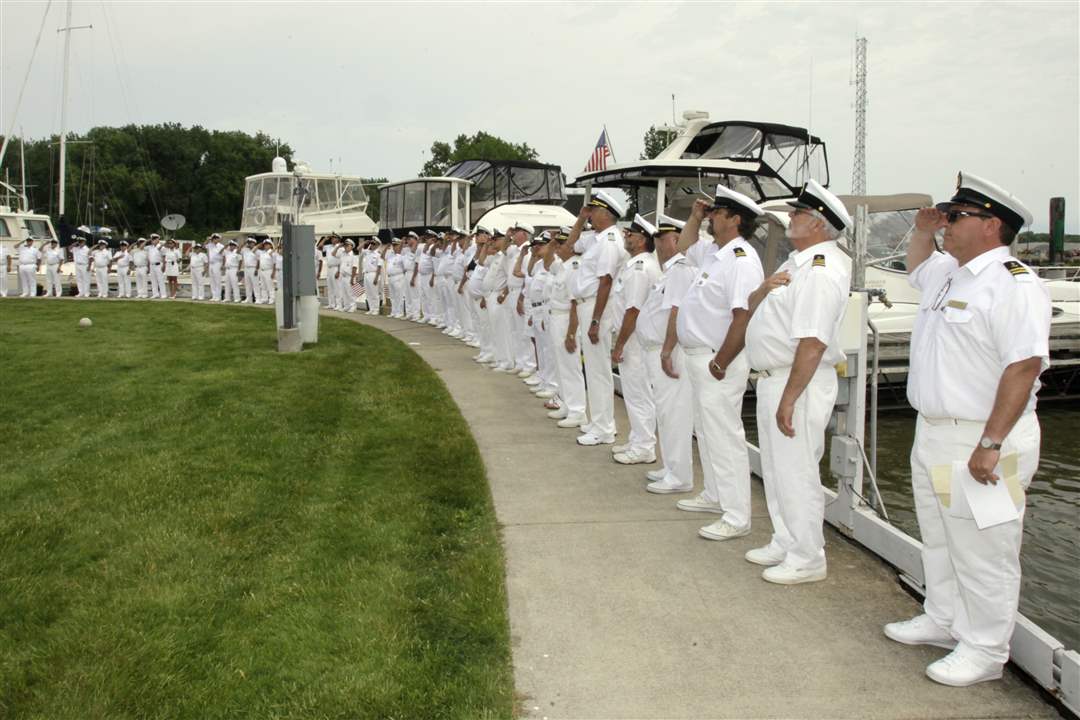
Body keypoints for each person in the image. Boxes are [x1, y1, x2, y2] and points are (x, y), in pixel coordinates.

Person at [883, 172, 1050, 687]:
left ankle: (985, 649)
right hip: (935, 431)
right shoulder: (951, 273)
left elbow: (1023, 366)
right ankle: (943, 617)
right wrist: (923, 229)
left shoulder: (1013, 282)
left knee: (986, 549)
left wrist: (992, 444)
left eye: (957, 217)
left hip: (982, 436)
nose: (947, 224)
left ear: (991, 225)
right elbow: (916, 266)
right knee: (940, 536)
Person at [743, 179, 851, 584]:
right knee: (776, 468)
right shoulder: (796, 262)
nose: (791, 217)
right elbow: (755, 305)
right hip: (777, 378)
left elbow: (812, 342)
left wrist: (790, 398)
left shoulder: (821, 271)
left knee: (798, 470)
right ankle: (786, 538)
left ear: (820, 224)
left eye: (800, 213)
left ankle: (808, 557)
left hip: (798, 382)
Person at [672, 186, 765, 541]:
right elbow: (683, 246)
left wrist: (721, 362)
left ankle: (737, 514)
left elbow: (744, 315)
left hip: (718, 360)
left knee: (725, 436)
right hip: (702, 358)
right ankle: (715, 494)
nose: (711, 217)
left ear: (735, 219)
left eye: (717, 213)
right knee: (707, 432)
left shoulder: (741, 259)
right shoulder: (716, 253)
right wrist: (694, 217)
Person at [637, 214, 696, 493]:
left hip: (668, 352)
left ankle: (680, 476)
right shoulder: (669, 272)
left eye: (664, 238)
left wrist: (667, 350)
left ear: (677, 239)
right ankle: (671, 466)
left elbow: (677, 310)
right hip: (656, 350)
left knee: (675, 414)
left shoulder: (681, 269)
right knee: (665, 412)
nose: (659, 243)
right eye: (657, 238)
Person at [568, 190, 628, 446]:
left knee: (599, 371)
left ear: (605, 214)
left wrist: (595, 321)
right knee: (592, 370)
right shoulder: (597, 238)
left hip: (597, 309)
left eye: (593, 211)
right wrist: (580, 220)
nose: (590, 214)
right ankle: (598, 422)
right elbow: (571, 245)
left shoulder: (610, 240)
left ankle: (604, 428)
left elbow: (606, 282)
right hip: (587, 306)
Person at [609, 215, 662, 464]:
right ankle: (637, 438)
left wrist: (619, 344)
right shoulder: (635, 264)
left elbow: (634, 310)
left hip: (634, 340)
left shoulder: (641, 268)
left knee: (639, 393)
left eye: (630, 234)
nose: (626, 237)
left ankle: (644, 446)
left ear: (641, 240)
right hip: (631, 337)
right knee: (633, 393)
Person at [362, 240, 383, 315]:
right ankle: (371, 309)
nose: (372, 245)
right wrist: (365, 243)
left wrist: (376, 277)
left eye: (373, 244)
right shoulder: (367, 252)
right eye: (371, 243)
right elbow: (358, 249)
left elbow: (379, 267)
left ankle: (376, 309)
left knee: (374, 293)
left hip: (373, 274)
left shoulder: (378, 254)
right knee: (368, 293)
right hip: (366, 274)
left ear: (377, 245)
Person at [147, 234, 167, 299]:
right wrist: (149, 267)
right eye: (152, 239)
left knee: (160, 280)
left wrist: (164, 265)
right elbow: (149, 258)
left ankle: (163, 294)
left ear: (158, 240)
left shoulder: (161, 247)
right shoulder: (150, 248)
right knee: (153, 280)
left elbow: (164, 257)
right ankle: (155, 294)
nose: (153, 241)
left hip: (159, 265)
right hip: (152, 265)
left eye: (154, 239)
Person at [206, 233, 224, 302]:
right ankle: (214, 296)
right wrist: (208, 239)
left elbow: (223, 256)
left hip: (217, 263)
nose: (215, 240)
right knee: (212, 280)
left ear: (219, 239)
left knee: (217, 280)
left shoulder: (221, 246)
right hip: (211, 264)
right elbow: (203, 246)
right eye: (214, 238)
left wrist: (222, 265)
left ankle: (218, 296)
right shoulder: (210, 245)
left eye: (216, 238)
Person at [257, 239, 275, 304]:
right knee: (263, 286)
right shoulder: (262, 252)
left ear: (270, 245)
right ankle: (264, 299)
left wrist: (273, 272)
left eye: (267, 244)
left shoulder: (272, 252)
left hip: (269, 270)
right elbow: (253, 250)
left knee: (270, 286)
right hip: (261, 271)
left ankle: (272, 299)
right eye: (264, 245)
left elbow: (274, 263)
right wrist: (261, 244)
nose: (265, 246)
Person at [242, 238, 259, 303]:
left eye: (251, 243)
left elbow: (258, 261)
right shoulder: (245, 250)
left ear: (254, 243)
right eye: (248, 243)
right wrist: (244, 242)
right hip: (246, 268)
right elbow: (238, 250)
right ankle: (249, 298)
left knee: (255, 284)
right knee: (247, 284)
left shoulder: (257, 251)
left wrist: (256, 269)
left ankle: (258, 298)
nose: (249, 244)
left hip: (253, 268)